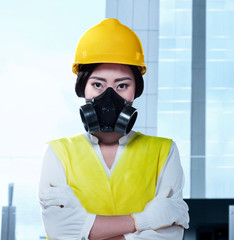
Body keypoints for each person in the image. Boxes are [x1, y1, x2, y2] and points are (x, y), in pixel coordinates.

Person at [38, 18, 189, 240]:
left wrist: (89, 231)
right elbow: (61, 232)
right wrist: (143, 221)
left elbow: (167, 236)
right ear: (83, 88)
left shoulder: (164, 151)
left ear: (135, 91)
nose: (109, 97)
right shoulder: (57, 153)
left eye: (122, 85)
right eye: (97, 84)